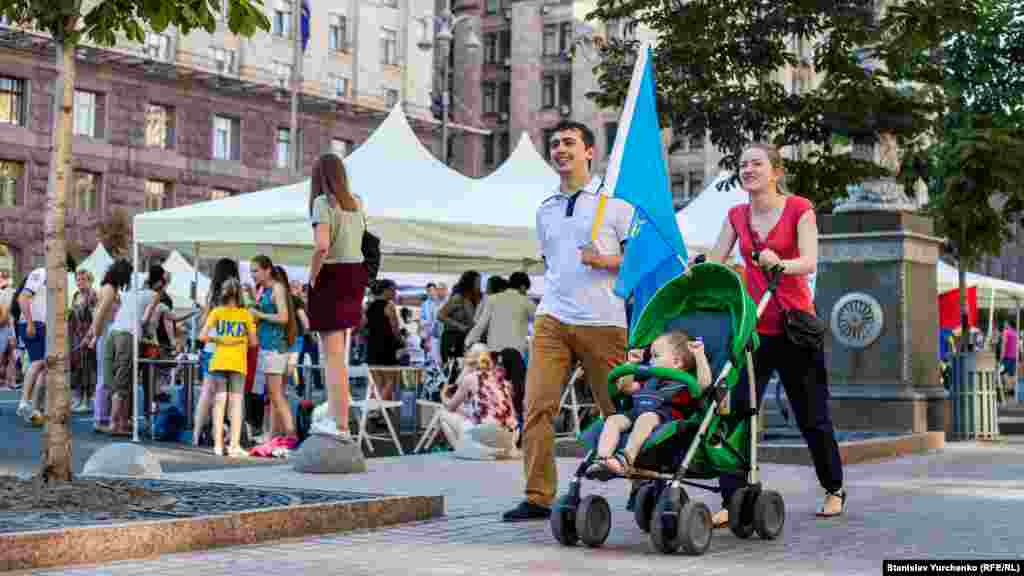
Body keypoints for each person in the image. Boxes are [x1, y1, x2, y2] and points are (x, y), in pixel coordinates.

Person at [503, 120, 634, 522]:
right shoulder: (545, 210)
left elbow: (638, 262)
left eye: (569, 142)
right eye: (555, 143)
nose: (560, 149)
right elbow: (552, 262)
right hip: (552, 318)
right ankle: (538, 496)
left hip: (603, 322)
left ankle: (644, 482)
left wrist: (604, 260)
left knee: (619, 409)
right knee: (536, 407)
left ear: (589, 152)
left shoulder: (615, 204)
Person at [708, 142, 845, 522]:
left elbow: (810, 261)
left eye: (756, 163)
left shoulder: (799, 208)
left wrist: (780, 264)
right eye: (743, 165)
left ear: (776, 172)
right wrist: (700, 268)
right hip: (753, 330)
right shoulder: (736, 215)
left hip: (795, 328)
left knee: (811, 415)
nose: (748, 170)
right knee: (736, 413)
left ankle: (833, 488)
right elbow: (717, 261)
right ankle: (732, 499)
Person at [588, 330, 711, 477]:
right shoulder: (649, 380)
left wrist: (699, 355)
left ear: (677, 362)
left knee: (646, 417)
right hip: (637, 412)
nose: (650, 360)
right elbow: (626, 388)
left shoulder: (684, 384)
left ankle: (626, 458)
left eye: (655, 356)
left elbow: (704, 384)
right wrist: (632, 364)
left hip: (665, 418)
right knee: (614, 419)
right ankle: (603, 458)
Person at [306, 153, 368, 440]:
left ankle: (339, 422)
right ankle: (339, 419)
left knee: (331, 356)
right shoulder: (358, 202)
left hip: (331, 275)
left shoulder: (322, 203)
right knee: (338, 356)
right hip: (354, 275)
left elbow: (321, 246)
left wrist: (312, 277)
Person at [200, 278, 259, 457]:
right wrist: (239, 339)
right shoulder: (245, 314)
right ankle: (234, 445)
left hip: (219, 361)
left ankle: (218, 445)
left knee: (219, 403)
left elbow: (202, 336)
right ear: (239, 294)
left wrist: (219, 339)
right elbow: (254, 343)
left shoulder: (217, 312)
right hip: (238, 362)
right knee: (236, 404)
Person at [249, 256, 300, 451]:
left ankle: (290, 434)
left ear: (267, 270)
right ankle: (276, 435)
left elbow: (283, 317)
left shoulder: (277, 288)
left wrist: (259, 314)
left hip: (274, 348)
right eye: (251, 271)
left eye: (255, 270)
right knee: (273, 395)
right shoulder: (264, 290)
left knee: (276, 395)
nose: (253, 274)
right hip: (266, 347)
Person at [191, 258, 241, 446]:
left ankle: (196, 434)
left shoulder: (212, 295)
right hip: (231, 350)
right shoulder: (237, 295)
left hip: (210, 349)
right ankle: (225, 437)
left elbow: (203, 322)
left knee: (207, 393)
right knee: (229, 396)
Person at [465, 271, 536, 358]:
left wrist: (468, 341)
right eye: (526, 290)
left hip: (494, 349)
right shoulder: (527, 302)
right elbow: (539, 323)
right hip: (516, 351)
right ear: (523, 287)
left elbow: (481, 324)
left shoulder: (492, 299)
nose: (526, 292)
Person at [14, 267, 47, 425]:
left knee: (44, 365)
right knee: (38, 362)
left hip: (42, 324)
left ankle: (34, 408)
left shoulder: (56, 277)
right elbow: (22, 298)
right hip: (34, 323)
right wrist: (30, 323)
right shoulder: (40, 273)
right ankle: (24, 402)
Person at [365, 278, 402, 401]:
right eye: (393, 290)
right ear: (385, 290)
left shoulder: (369, 306)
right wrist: (401, 343)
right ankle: (381, 407)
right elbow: (395, 328)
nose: (395, 293)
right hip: (387, 347)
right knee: (391, 381)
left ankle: (379, 409)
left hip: (372, 347)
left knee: (377, 384)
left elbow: (364, 327)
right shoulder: (389, 305)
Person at [438, 271, 482, 366]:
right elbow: (440, 315)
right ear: (469, 283)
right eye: (477, 282)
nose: (479, 285)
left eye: (480, 282)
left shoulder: (475, 299)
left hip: (466, 339)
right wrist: (459, 326)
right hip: (452, 338)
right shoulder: (458, 298)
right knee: (454, 368)